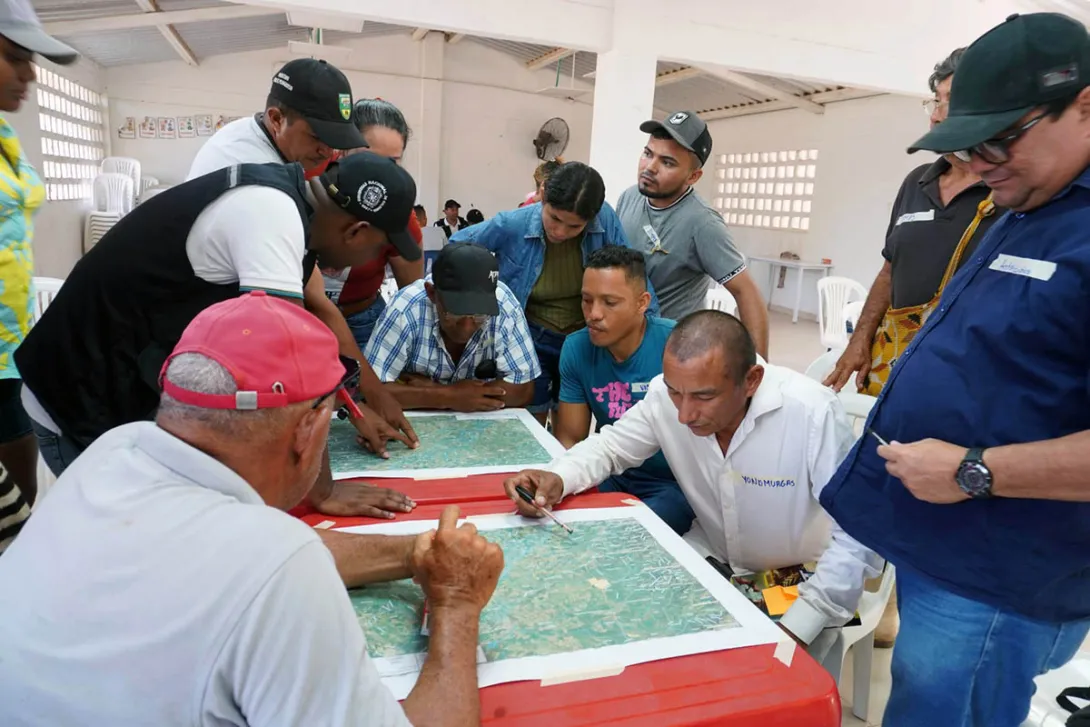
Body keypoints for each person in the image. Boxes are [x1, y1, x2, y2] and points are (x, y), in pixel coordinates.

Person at [0, 292, 505, 725]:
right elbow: (277, 561)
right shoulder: (279, 563)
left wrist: (417, 553)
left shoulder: (113, 454)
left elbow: (245, 555)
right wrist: (456, 602)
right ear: (308, 429)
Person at [820, 13, 1090, 727]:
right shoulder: (1028, 199)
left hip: (1002, 567)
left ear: (1084, 105)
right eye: (969, 143)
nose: (980, 161)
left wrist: (975, 470)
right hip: (944, 539)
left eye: (999, 139)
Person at [17, 154, 422, 528]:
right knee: (146, 544)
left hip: (115, 380)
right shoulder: (273, 215)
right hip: (78, 396)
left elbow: (308, 331)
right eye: (376, 250)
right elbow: (284, 362)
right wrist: (323, 490)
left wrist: (353, 405)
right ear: (356, 231)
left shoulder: (293, 208)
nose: (369, 262)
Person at [506, 310, 881, 648]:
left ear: (751, 380)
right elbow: (610, 448)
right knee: (619, 618)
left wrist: (803, 621)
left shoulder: (811, 414)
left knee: (753, 677)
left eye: (704, 397)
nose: (685, 415)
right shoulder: (663, 397)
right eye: (675, 392)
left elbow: (857, 536)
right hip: (712, 557)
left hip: (804, 578)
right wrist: (557, 476)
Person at [822, 48, 1002, 396]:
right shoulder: (917, 182)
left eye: (951, 102)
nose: (936, 117)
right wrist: (860, 339)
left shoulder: (1010, 192)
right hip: (895, 356)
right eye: (936, 101)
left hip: (967, 374)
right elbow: (889, 271)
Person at [452, 162, 658, 422]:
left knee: (570, 421)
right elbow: (456, 247)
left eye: (574, 227)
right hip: (530, 337)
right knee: (531, 418)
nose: (560, 232)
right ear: (542, 194)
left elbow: (632, 272)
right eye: (555, 218)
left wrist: (649, 332)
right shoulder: (512, 224)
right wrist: (483, 298)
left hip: (582, 339)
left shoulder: (604, 217)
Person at [0, 0, 77, 552]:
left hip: (8, 350)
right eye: (13, 56)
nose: (29, 73)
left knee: (21, 512)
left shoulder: (5, 137)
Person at [554, 247, 694, 534]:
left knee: (630, 533)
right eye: (586, 300)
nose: (593, 314)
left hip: (671, 483)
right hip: (609, 471)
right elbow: (570, 438)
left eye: (610, 302)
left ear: (642, 303)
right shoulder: (576, 348)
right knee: (558, 515)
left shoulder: (679, 345)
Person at [615, 111, 769, 357]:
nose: (650, 167)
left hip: (671, 351)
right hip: (623, 342)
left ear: (693, 176)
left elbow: (746, 291)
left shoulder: (703, 222)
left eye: (667, 162)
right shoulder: (629, 197)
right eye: (648, 154)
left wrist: (761, 367)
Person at [366, 243, 539, 412]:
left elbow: (523, 389)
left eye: (479, 316)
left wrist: (434, 392)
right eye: (455, 314)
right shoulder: (405, 309)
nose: (466, 328)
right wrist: (446, 396)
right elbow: (370, 391)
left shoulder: (505, 306)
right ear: (432, 293)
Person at [323, 99, 424, 351]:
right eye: (367, 158)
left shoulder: (399, 214)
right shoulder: (309, 186)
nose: (378, 175)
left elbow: (412, 292)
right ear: (343, 149)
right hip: (299, 314)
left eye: (391, 163)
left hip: (361, 321)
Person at [188, 58, 364, 180]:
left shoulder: (245, 131)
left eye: (333, 141)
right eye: (317, 137)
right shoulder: (255, 173)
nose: (327, 152)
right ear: (277, 119)